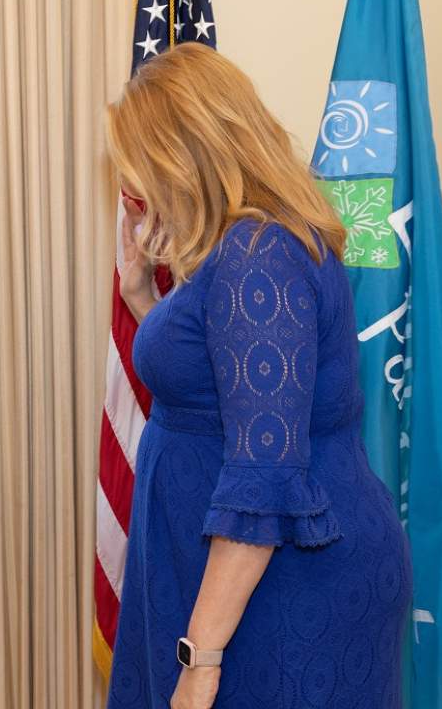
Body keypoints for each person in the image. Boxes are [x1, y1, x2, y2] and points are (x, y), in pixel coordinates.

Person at [104, 43, 411, 709]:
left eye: (140, 173)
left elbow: (265, 478)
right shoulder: (245, 248)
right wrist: (141, 299)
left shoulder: (258, 255)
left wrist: (201, 660)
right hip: (231, 580)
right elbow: (217, 391)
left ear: (182, 159)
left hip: (279, 591)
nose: (136, 193)